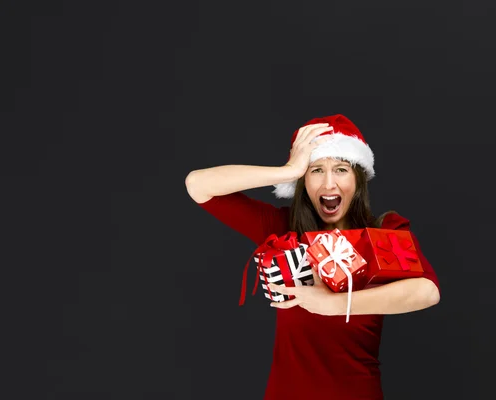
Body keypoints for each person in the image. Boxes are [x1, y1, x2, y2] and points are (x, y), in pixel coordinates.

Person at [185, 114, 441, 400]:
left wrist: (333, 304)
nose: (329, 184)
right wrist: (287, 170)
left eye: (341, 169)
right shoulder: (283, 229)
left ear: (358, 178)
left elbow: (426, 291)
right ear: (302, 180)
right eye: (316, 170)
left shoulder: (383, 231)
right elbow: (198, 185)